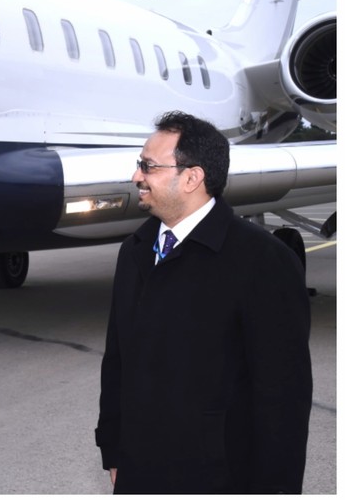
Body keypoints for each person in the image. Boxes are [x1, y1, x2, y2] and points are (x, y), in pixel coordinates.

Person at [95, 111, 313, 493]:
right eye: (139, 164)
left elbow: (283, 398)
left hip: (218, 478)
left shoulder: (264, 261)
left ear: (192, 178)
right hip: (138, 470)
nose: (136, 177)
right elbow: (117, 361)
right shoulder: (135, 251)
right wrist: (113, 448)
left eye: (148, 166)